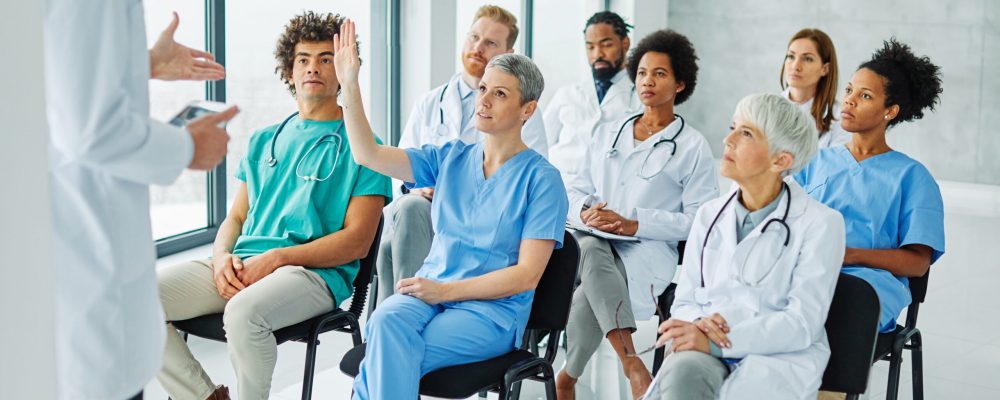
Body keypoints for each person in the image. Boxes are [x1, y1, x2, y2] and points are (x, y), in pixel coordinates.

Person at [154, 12, 391, 400]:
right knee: (136, 297)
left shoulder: (364, 146)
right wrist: (219, 257)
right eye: (303, 59)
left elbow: (357, 243)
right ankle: (204, 397)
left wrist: (279, 257)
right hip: (245, 265)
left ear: (343, 70)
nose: (313, 67)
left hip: (313, 275)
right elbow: (236, 217)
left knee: (243, 313)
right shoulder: (265, 139)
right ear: (290, 70)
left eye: (326, 59)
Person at [331, 20, 569, 399]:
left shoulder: (542, 180)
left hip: (489, 313)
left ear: (528, 109)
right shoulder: (451, 158)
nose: (484, 101)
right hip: (428, 293)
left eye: (500, 95)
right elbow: (368, 154)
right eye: (483, 90)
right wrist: (349, 86)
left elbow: (526, 276)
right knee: (384, 321)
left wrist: (445, 291)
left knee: (391, 352)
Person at [44, 3, 236, 399]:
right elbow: (89, 132)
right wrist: (186, 146)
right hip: (85, 271)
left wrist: (143, 63)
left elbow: (59, 77)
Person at [646, 93, 846, 399]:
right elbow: (684, 300)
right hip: (705, 351)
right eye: (733, 127)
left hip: (776, 360)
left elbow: (802, 323)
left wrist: (718, 339)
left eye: (746, 133)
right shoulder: (709, 215)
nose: (728, 140)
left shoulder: (821, 224)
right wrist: (699, 325)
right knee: (683, 373)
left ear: (781, 160)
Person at [557, 29, 719, 400]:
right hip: (594, 236)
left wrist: (636, 223)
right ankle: (632, 363)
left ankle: (568, 376)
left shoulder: (692, 146)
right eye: (643, 72)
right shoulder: (608, 132)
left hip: (646, 249)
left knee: (589, 281)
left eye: (660, 74)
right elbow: (575, 187)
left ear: (680, 83)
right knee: (593, 250)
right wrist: (588, 211)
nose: (648, 80)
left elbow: (700, 221)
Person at [376, 4, 549, 304]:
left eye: (491, 43)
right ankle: (404, 308)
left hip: (486, 229)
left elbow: (531, 172)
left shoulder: (524, 114)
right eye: (474, 37)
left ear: (509, 52)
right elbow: (400, 165)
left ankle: (412, 311)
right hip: (424, 218)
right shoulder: (430, 103)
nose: (478, 48)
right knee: (406, 215)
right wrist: (416, 189)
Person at [795, 38, 945, 335]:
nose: (848, 100)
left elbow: (917, 264)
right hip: (808, 270)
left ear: (890, 111)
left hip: (866, 285)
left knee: (824, 311)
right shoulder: (815, 161)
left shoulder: (912, 177)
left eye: (864, 96)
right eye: (849, 90)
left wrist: (849, 255)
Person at [544, 11, 643, 187]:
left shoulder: (641, 96)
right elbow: (540, 143)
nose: (597, 54)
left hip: (611, 192)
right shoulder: (566, 94)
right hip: (559, 187)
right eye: (590, 47)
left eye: (606, 45)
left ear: (625, 44)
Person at [780, 28, 851, 148]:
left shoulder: (840, 117)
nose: (795, 66)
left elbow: (838, 164)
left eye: (807, 59)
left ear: (825, 69)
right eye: (791, 56)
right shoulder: (767, 109)